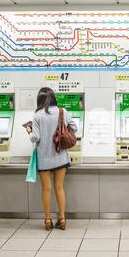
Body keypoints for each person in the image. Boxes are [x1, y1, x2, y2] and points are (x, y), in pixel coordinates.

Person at [26, 87, 78, 231]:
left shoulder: (37, 115)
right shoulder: (63, 111)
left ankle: (48, 220)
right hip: (60, 156)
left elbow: (35, 137)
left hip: (44, 158)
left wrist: (29, 131)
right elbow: (75, 127)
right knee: (60, 188)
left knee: (46, 189)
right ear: (53, 98)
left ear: (40, 100)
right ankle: (62, 219)